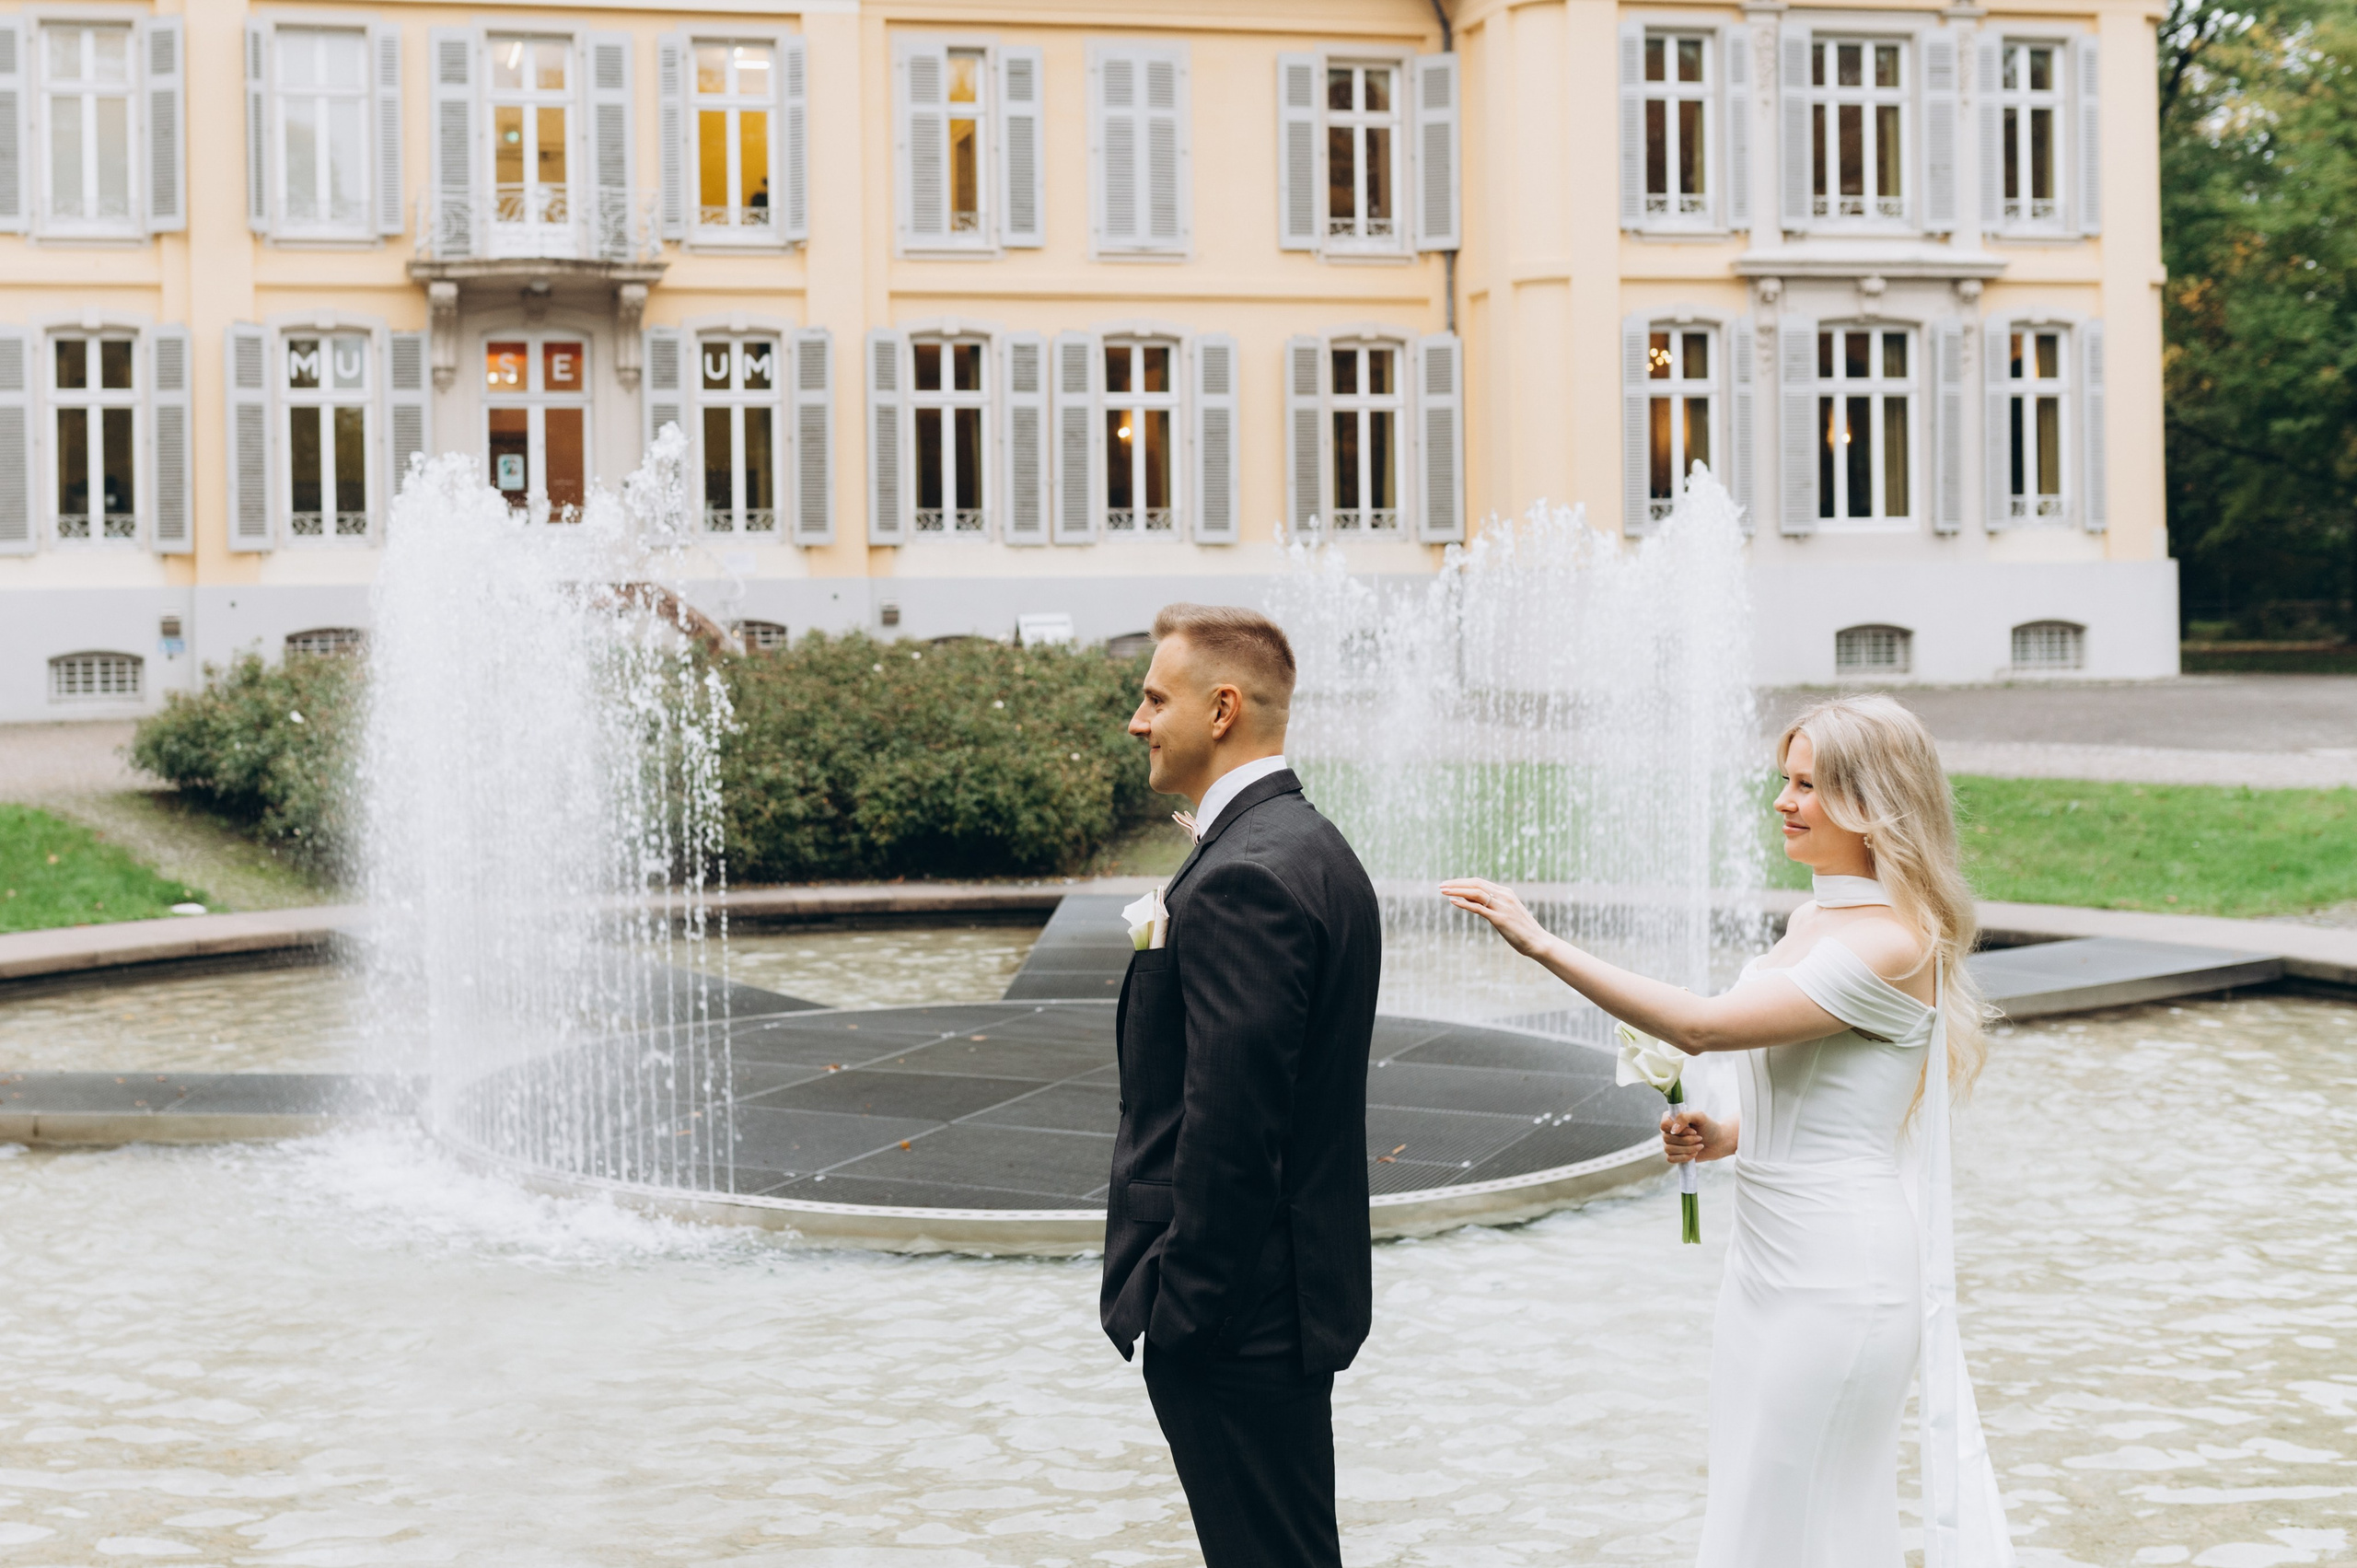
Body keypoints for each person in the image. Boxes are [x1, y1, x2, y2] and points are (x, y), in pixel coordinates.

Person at [1440, 694, 2014, 1567]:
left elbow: (1705, 1027)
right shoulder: (1813, 922)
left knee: (1801, 1511)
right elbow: (1836, 1092)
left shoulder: (1896, 942)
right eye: (1785, 780)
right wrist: (1727, 1131)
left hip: (1841, 1279)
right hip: (1763, 1267)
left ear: (1873, 804)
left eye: (1808, 785)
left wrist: (1542, 944)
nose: (1783, 800)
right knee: (1756, 1511)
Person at [1103, 603, 1383, 1568]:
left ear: (1221, 708)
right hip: (1281, 1301)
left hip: (1240, 1320)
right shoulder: (1307, 844)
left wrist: (1180, 1312)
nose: (1136, 719)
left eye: (1152, 697)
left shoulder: (1247, 876)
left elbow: (1232, 1125)